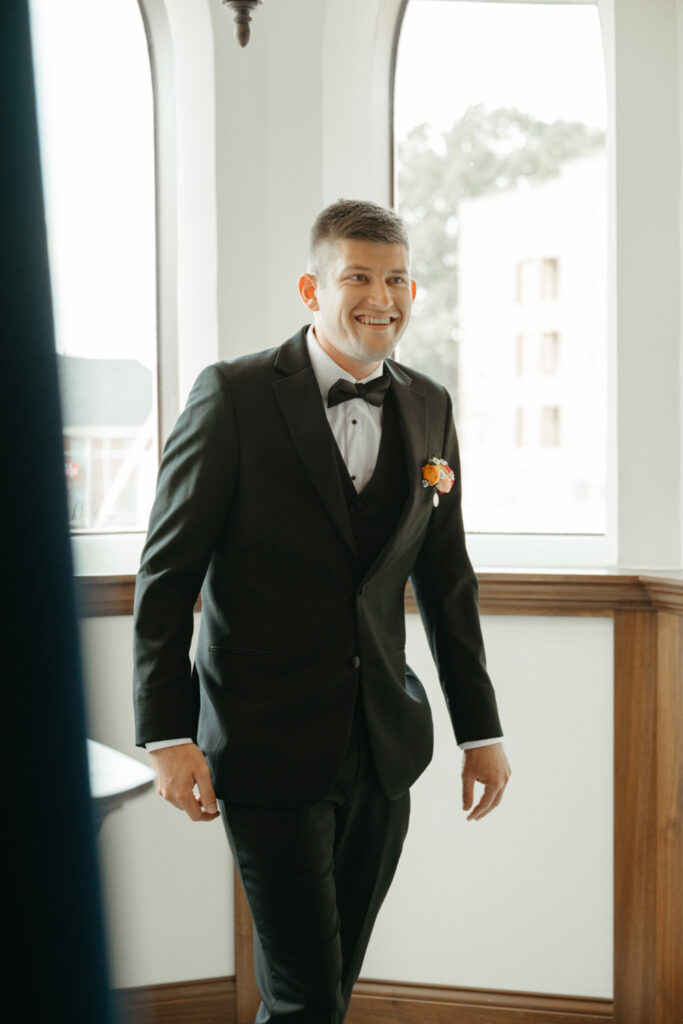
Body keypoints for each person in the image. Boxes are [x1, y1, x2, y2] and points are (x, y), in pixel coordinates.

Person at [133, 198, 510, 1024]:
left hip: (383, 750)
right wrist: (168, 737)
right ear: (312, 287)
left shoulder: (428, 404)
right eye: (359, 277)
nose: (383, 295)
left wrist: (479, 733)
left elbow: (447, 582)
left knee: (324, 991)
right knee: (306, 996)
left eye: (398, 278)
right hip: (265, 747)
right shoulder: (231, 395)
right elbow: (166, 576)